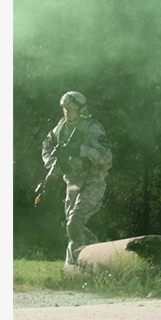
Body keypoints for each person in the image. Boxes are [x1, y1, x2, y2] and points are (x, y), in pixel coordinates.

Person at [41, 91, 113, 267]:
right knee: (72, 227)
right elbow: (46, 148)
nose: (67, 111)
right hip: (72, 183)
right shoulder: (60, 129)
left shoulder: (92, 128)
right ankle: (96, 255)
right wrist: (53, 164)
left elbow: (107, 158)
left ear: (80, 109)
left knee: (74, 222)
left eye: (71, 108)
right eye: (65, 108)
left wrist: (82, 150)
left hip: (93, 181)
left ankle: (72, 266)